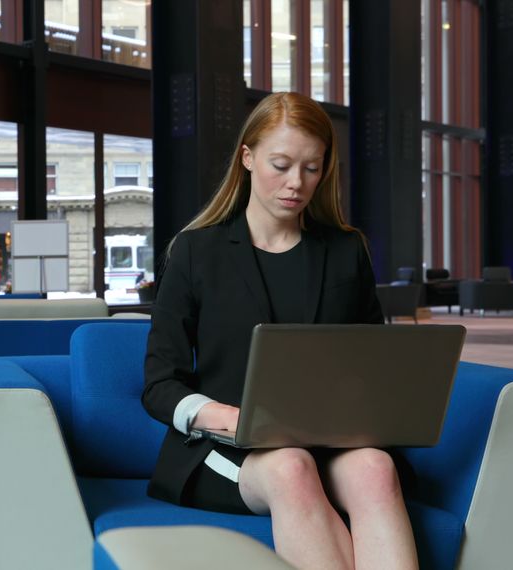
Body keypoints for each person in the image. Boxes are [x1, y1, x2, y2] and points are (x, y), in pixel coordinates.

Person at [142, 92, 417, 570]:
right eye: (282, 164)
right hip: (229, 450)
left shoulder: (347, 251)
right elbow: (159, 385)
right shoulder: (195, 252)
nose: (296, 183)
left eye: (312, 168)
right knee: (292, 467)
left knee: (376, 467)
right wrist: (229, 418)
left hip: (329, 441)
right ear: (247, 158)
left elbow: (373, 362)